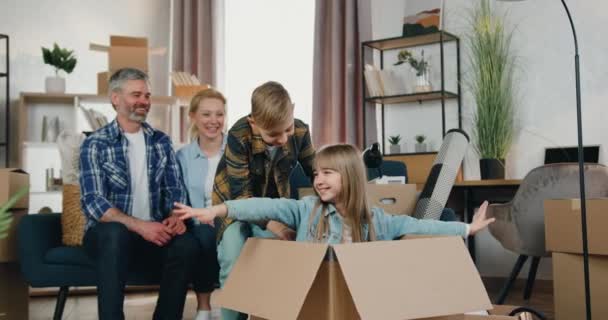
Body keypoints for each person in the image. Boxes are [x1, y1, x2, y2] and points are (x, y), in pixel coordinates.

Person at [175, 143, 494, 245]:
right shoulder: (306, 208)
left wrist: (467, 228)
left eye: (327, 173)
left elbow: (422, 226)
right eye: (316, 174)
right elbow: (263, 204)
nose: (318, 180)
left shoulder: (378, 221)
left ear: (351, 177)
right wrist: (217, 211)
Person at [79, 68, 200, 320]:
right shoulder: (95, 143)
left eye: (147, 95)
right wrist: (140, 226)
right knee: (114, 233)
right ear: (115, 98)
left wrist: (176, 217)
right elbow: (93, 202)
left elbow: (175, 190)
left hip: (153, 234)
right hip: (108, 237)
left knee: (187, 243)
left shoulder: (161, 142)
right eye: (136, 94)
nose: (144, 101)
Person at [211, 81, 315, 320]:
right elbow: (242, 196)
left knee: (275, 258)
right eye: (273, 134)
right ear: (254, 123)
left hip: (273, 201)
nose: (283, 138)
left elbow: (316, 170)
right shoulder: (239, 135)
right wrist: (271, 224)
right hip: (234, 203)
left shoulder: (300, 131)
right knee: (232, 256)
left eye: (287, 130)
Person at [176, 88, 227, 320]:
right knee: (204, 236)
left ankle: (236, 304)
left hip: (232, 219)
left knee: (220, 233)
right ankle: (204, 307)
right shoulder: (182, 157)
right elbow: (179, 197)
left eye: (219, 114)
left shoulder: (238, 153)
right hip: (197, 223)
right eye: (206, 114)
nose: (213, 121)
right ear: (193, 116)